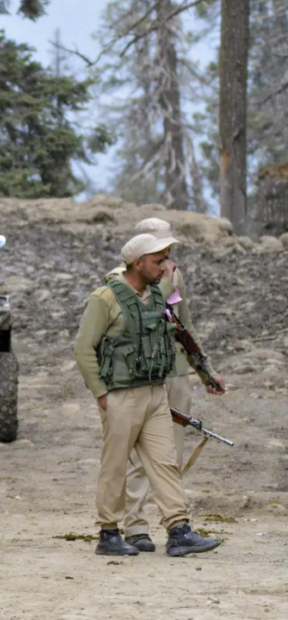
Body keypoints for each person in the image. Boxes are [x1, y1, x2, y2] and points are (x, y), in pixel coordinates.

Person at [74, 233, 222, 557]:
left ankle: (178, 529)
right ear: (137, 263)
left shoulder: (157, 294)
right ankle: (109, 532)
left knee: (165, 463)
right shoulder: (104, 299)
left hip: (155, 393)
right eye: (158, 261)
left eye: (166, 259)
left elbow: (181, 328)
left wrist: (206, 371)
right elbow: (83, 349)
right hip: (121, 396)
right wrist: (101, 393)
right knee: (115, 466)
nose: (165, 267)